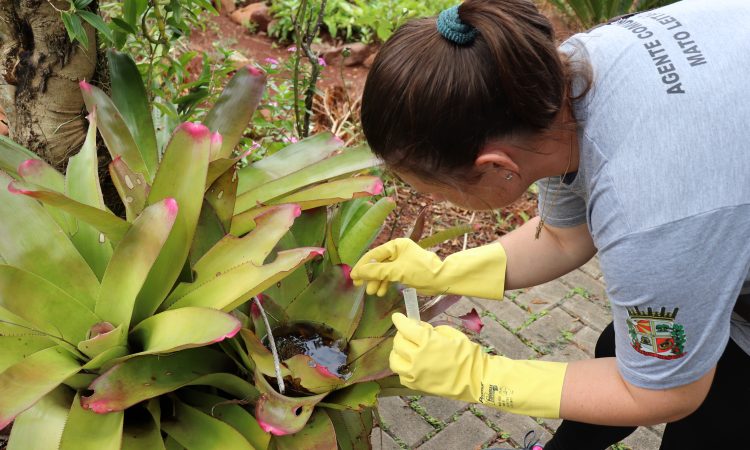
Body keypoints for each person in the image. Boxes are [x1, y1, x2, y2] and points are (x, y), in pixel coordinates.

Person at [349, 0, 750, 448]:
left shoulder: (650, 213)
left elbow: (665, 392)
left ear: (498, 165)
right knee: (619, 351)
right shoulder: (559, 81)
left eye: (437, 190)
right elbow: (564, 236)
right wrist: (445, 273)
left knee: (713, 423)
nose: (436, 200)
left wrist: (480, 376)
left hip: (699, 216)